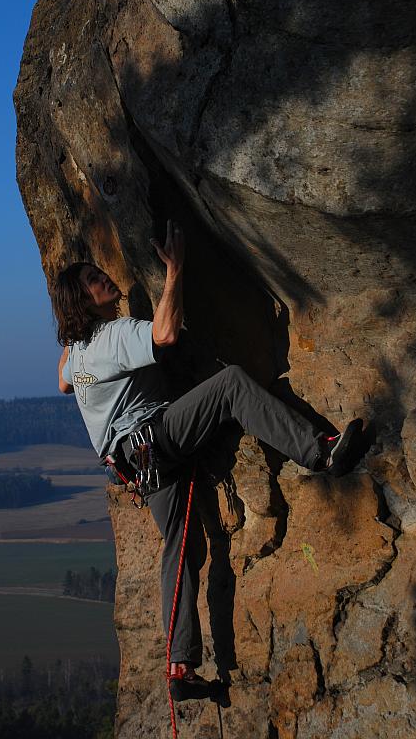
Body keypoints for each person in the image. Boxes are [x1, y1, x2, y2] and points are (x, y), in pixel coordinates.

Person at [52, 220, 364, 700]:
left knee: (182, 552)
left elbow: (64, 383)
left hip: (137, 467)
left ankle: (180, 667)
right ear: (85, 301)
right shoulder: (113, 337)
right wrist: (174, 270)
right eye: (96, 280)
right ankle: (320, 454)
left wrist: (70, 336)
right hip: (158, 442)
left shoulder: (77, 353)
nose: (106, 279)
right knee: (232, 384)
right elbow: (165, 334)